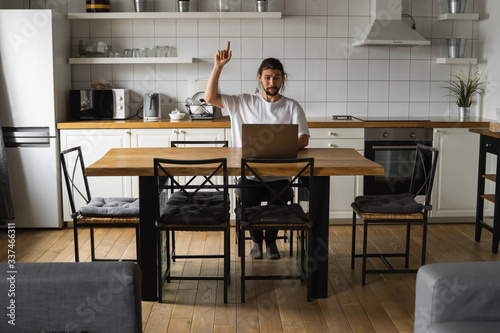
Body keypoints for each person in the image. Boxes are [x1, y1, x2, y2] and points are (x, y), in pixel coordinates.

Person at [205, 41, 310, 259]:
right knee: (248, 198)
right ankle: (256, 240)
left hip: (279, 177)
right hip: (249, 176)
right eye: (268, 77)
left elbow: (304, 139)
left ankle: (271, 242)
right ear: (260, 78)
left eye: (277, 77)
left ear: (283, 78)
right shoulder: (242, 102)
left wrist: (277, 146)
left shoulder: (292, 106)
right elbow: (210, 98)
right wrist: (218, 67)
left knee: (278, 204)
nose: (272, 82)